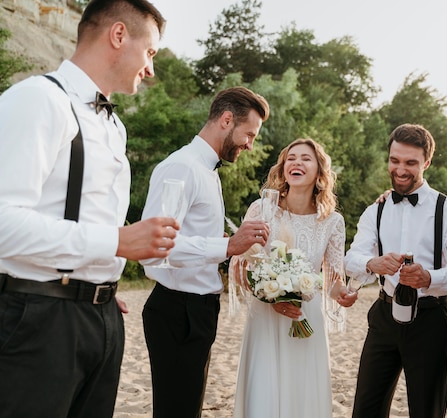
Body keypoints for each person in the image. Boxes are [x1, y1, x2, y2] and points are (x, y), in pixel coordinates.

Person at [0, 1, 172, 417]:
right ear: (118, 35)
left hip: (102, 318)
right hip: (39, 318)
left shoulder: (114, 126)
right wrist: (116, 241)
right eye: (150, 52)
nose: (150, 70)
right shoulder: (37, 99)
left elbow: (79, 216)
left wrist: (99, 281)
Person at [139, 86, 270, 418]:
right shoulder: (182, 167)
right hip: (177, 311)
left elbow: (185, 236)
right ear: (227, 120)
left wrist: (218, 241)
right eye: (249, 134)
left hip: (196, 309)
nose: (250, 144)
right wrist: (227, 245)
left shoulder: (207, 171)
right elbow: (154, 247)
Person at [345, 124, 447, 418]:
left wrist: (428, 278)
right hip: (383, 317)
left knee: (428, 410)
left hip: (431, 319)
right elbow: (352, 257)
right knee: (366, 408)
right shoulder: (375, 210)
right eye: (394, 161)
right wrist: (372, 263)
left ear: (427, 162)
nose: (400, 170)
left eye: (410, 163)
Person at [230, 138, 353, 418]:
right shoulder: (261, 210)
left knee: (302, 396)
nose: (297, 162)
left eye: (306, 158)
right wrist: (269, 296)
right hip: (265, 316)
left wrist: (344, 294)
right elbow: (239, 267)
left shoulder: (332, 221)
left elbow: (334, 280)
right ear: (283, 167)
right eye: (291, 158)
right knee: (264, 393)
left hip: (304, 317)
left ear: (320, 172)